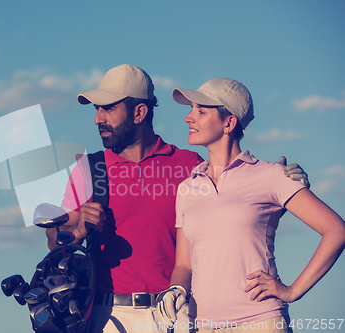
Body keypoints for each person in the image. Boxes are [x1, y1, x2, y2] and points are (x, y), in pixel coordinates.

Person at [46, 66, 309, 333]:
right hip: (110, 316)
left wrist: (280, 195)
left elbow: (231, 218)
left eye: (109, 108)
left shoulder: (190, 165)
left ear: (140, 112)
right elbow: (54, 239)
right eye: (96, 109)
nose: (98, 119)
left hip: (179, 313)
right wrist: (77, 231)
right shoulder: (89, 169)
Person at [157, 78, 345, 333]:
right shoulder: (187, 188)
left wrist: (293, 290)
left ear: (229, 122)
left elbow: (336, 230)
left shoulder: (271, 175)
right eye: (191, 109)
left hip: (260, 321)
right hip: (203, 326)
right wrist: (176, 290)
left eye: (201, 111)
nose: (189, 118)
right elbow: (184, 265)